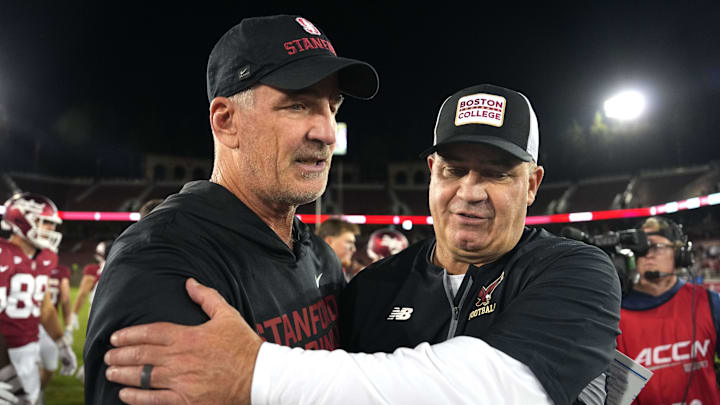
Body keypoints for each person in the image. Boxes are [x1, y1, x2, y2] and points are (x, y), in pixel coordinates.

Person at [102, 84, 622, 405]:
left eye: (497, 174)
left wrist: (256, 371)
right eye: (454, 170)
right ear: (431, 174)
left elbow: (502, 388)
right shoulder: (372, 288)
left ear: (531, 184)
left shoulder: (576, 272)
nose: (470, 192)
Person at [83, 14, 379, 404]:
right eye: (297, 106)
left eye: (332, 106)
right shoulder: (162, 263)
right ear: (226, 122)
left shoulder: (318, 254)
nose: (326, 132)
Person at [616, 216, 720, 403]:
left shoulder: (709, 303)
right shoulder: (617, 317)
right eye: (641, 248)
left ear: (679, 253)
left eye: (656, 246)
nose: (648, 253)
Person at [0, 193, 77, 404]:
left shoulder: (47, 257)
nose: (51, 230)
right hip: (5, 352)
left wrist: (61, 342)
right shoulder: (2, 253)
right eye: (45, 223)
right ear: (21, 220)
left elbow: (44, 307)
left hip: (30, 347)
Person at [66, 239, 113, 383]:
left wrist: (72, 316)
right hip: (117, 311)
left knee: (97, 342)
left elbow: (81, 294)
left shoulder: (94, 270)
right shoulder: (124, 268)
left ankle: (91, 370)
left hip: (99, 313)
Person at [38, 262, 72, 389]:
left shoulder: (29, 265)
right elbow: (65, 298)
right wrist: (68, 327)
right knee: (49, 366)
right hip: (50, 324)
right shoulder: (61, 271)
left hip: (27, 321)